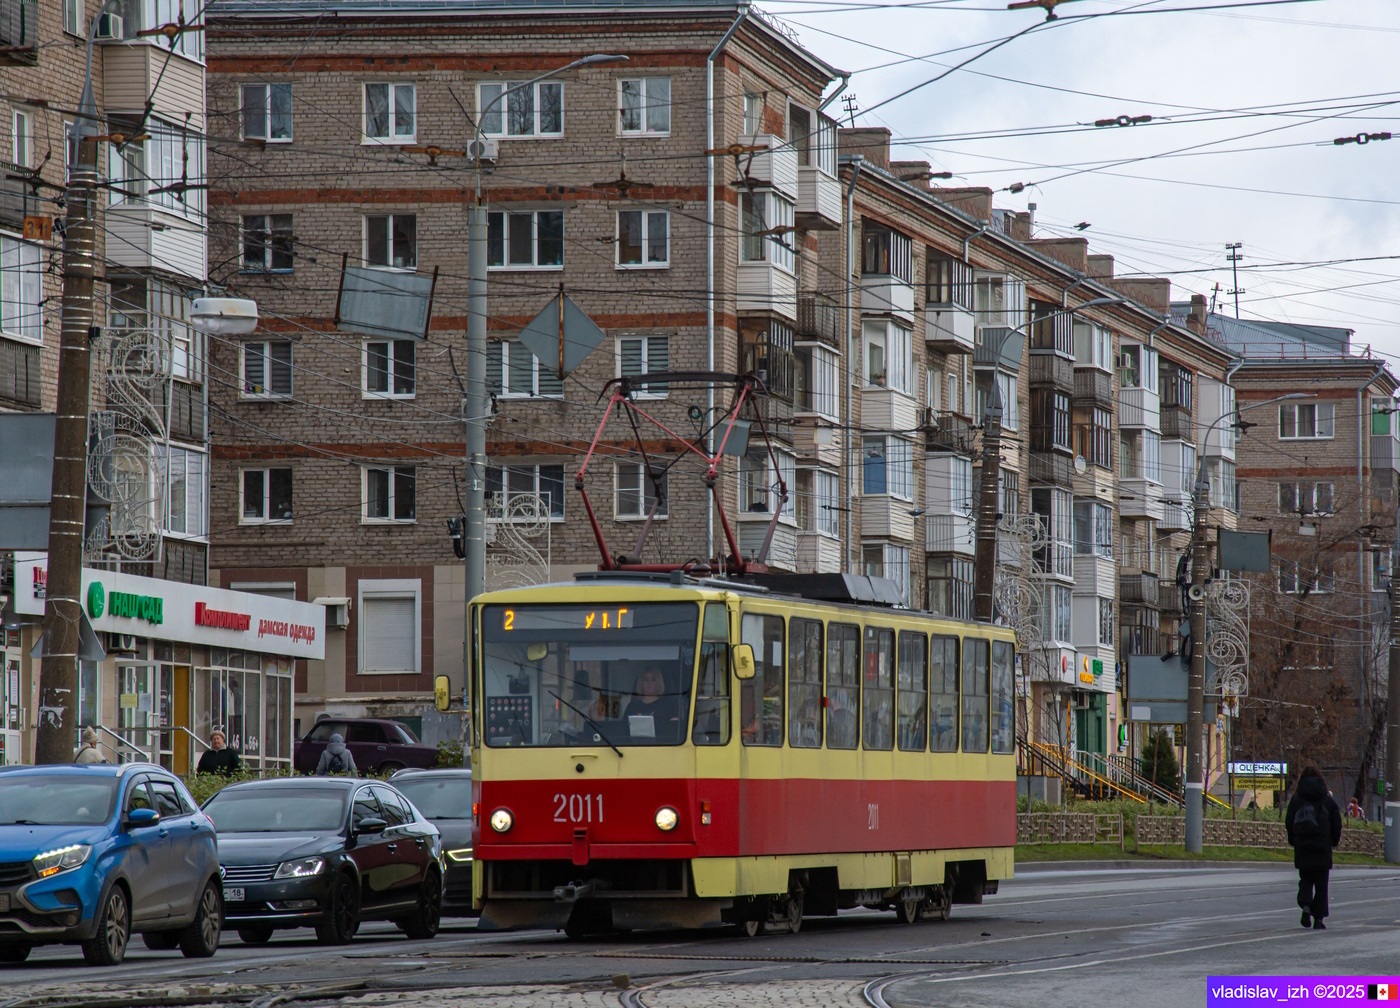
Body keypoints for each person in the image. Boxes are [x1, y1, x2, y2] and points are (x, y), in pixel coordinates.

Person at [1285, 765, 1343, 930]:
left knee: (1305, 878)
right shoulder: (1327, 800)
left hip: (1303, 846)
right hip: (1322, 847)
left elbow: (1289, 822)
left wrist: (1293, 839)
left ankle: (1306, 904)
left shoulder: (1297, 800)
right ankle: (1319, 919)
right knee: (1321, 883)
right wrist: (1333, 840)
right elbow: (1336, 823)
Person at [623, 666, 681, 741]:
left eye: (653, 680)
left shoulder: (669, 705)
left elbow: (674, 731)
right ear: (641, 683)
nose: (649, 683)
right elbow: (623, 730)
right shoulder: (632, 706)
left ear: (658, 682)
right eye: (646, 680)